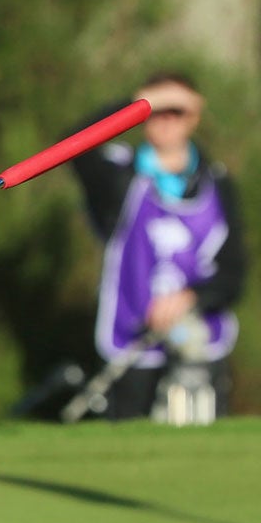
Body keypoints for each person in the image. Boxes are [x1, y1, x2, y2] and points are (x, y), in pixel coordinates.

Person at [67, 72, 243, 420]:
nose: (164, 119)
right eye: (155, 111)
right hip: (132, 343)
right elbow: (74, 145)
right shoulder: (119, 174)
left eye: (175, 110)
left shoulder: (217, 183)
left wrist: (190, 298)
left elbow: (234, 273)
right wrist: (135, 103)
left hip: (200, 343)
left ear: (193, 116)